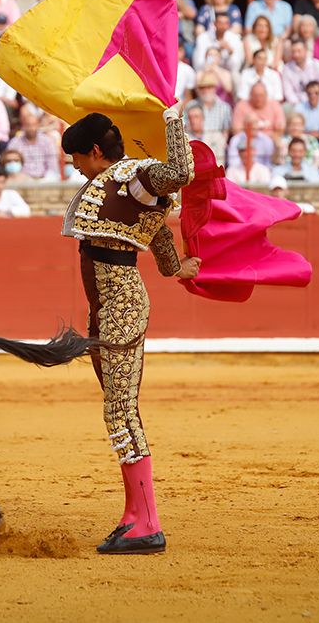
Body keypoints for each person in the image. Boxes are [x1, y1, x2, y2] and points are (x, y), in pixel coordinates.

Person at [60, 109, 198, 555]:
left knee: (120, 412)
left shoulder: (137, 176)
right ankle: (134, 515)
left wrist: (172, 116)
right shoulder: (128, 186)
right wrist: (178, 268)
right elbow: (155, 234)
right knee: (118, 409)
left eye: (78, 157)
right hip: (105, 311)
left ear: (95, 151)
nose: (76, 167)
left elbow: (181, 172)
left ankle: (148, 524)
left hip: (121, 308)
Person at [8, 104, 60, 180]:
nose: (31, 128)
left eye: (33, 125)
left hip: (44, 179)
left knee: (53, 177)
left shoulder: (47, 141)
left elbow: (52, 166)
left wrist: (45, 179)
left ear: (38, 125)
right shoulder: (15, 142)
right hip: (23, 179)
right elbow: (9, 162)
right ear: (23, 126)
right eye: (28, 125)